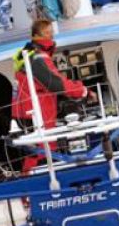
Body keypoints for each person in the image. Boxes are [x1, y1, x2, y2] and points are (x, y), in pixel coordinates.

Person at [12, 19, 96, 171]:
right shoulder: (38, 57)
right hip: (36, 114)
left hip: (28, 112)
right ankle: (33, 188)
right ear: (36, 35)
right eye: (46, 33)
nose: (51, 36)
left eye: (51, 32)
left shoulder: (29, 54)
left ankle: (32, 186)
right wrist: (83, 91)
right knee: (40, 153)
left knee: (37, 153)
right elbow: (56, 84)